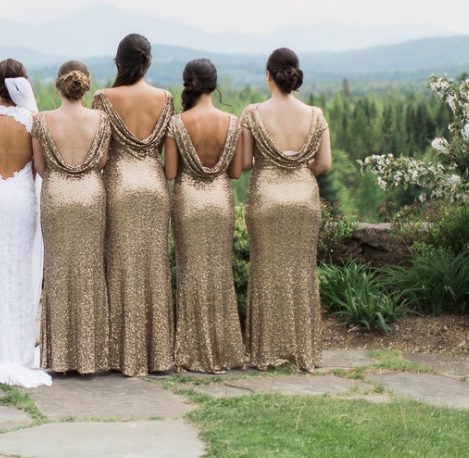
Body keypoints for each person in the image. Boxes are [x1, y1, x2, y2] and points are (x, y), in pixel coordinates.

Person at [241, 48, 331, 371]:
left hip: (266, 199)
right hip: (304, 200)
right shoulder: (316, 115)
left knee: (266, 271)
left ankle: (267, 351)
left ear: (269, 75)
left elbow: (245, 163)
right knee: (301, 272)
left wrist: (273, 163)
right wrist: (298, 165)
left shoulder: (252, 113)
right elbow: (324, 163)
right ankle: (302, 350)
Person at [91, 33, 175, 375]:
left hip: (120, 185)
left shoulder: (103, 98)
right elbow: (169, 151)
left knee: (119, 265)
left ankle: (119, 353)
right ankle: (155, 352)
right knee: (153, 266)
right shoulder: (166, 98)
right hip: (154, 185)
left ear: (119, 62)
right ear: (148, 61)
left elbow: (101, 154)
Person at [0, 59, 52, 388]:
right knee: (17, 274)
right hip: (20, 200)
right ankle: (17, 350)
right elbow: (39, 166)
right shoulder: (32, 120)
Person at [165, 59, 246, 373]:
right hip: (220, 202)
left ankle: (193, 351)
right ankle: (223, 350)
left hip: (188, 202)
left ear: (188, 84)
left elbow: (171, 172)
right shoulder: (233, 121)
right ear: (215, 83)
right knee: (219, 273)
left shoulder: (176, 123)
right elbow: (236, 172)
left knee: (191, 274)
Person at [33, 60, 111, 374]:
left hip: (56, 196)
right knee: (90, 271)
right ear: (85, 85)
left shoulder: (42, 120)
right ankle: (89, 357)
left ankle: (60, 357)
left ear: (58, 86)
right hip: (91, 195)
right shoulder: (101, 119)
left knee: (58, 272)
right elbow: (103, 160)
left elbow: (40, 167)